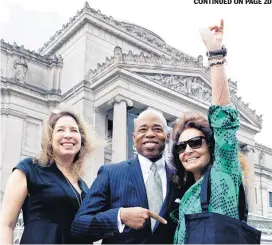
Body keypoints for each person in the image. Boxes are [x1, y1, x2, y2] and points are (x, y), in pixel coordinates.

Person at [171, 19, 246, 244]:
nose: (188, 150)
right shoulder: (187, 194)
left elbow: (223, 121)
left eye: (195, 142)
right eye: (181, 146)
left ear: (211, 146)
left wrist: (215, 56)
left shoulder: (223, 174)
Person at [71, 109, 183, 244]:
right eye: (142, 129)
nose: (149, 134)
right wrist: (120, 216)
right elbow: (79, 226)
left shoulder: (180, 177)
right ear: (133, 137)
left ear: (168, 136)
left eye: (157, 129)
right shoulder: (110, 173)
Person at [0, 107, 92, 244]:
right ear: (50, 138)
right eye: (60, 130)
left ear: (81, 140)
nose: (68, 135)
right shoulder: (29, 168)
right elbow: (6, 225)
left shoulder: (83, 186)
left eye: (74, 130)